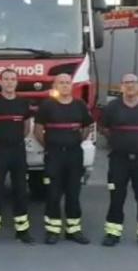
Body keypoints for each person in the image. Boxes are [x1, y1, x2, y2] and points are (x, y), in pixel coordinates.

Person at [100, 73, 138, 250]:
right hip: (119, 159)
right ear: (121, 87)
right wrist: (120, 141)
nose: (130, 86)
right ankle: (113, 233)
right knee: (116, 196)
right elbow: (104, 128)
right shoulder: (112, 107)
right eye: (126, 83)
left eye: (133, 82)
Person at [34, 73, 94, 245]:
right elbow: (38, 130)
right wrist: (50, 146)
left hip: (74, 155)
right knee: (53, 193)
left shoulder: (80, 105)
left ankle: (73, 231)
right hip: (54, 155)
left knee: (73, 194)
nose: (65, 85)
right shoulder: (47, 106)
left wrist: (75, 142)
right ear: (55, 86)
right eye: (61, 83)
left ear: (71, 85)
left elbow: (86, 127)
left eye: (68, 83)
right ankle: (52, 231)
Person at [0, 69, 35, 245]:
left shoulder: (23, 103)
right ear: (0, 82)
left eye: (13, 79)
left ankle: (22, 230)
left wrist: (15, 141)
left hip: (18, 152)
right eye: (6, 79)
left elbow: (26, 128)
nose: (10, 82)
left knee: (20, 190)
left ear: (17, 83)